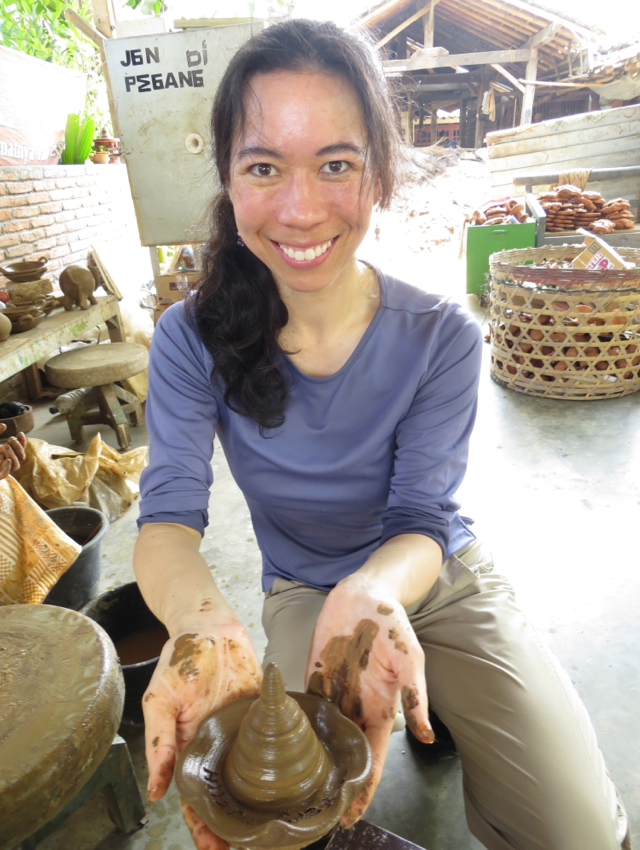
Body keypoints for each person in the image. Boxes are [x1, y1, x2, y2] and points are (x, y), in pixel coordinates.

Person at [134, 19, 630, 850]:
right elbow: (167, 523)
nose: (300, 209)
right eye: (264, 167)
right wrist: (202, 624)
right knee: (268, 816)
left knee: (576, 830)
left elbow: (422, 518)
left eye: (336, 164)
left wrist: (370, 594)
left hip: (434, 577)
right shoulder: (191, 338)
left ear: (380, 175)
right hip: (301, 591)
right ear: (228, 177)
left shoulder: (443, 336)